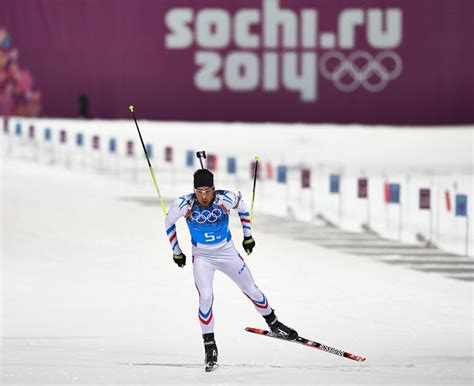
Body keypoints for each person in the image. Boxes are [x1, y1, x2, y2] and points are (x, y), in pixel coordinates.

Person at [164, 168, 297, 369]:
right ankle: (210, 346)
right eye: (199, 192)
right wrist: (177, 251)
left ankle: (274, 323)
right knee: (206, 296)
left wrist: (248, 236)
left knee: (251, 289)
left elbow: (243, 209)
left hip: (227, 253)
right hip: (203, 257)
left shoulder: (226, 198)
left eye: (207, 191)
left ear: (213, 189)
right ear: (194, 190)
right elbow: (168, 222)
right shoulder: (183, 204)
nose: (204, 196)